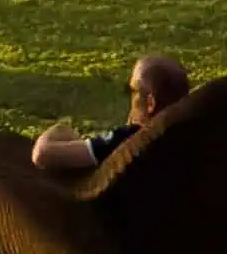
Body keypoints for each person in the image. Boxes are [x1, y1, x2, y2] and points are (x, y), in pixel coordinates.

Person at [29, 48, 188, 180]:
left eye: (131, 91)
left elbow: (43, 155)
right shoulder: (192, 138)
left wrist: (60, 130)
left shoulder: (130, 141)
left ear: (150, 103)